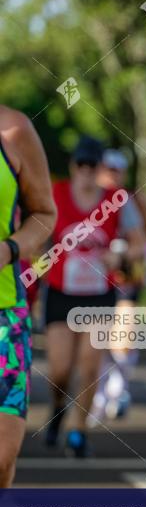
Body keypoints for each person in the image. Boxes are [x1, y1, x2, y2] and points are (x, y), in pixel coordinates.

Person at [42, 137, 140, 458]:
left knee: (88, 366)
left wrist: (120, 256)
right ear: (72, 167)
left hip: (98, 295)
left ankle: (78, 430)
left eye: (91, 166)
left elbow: (140, 242)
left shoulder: (116, 201)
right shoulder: (55, 195)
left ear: (99, 169)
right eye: (80, 165)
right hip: (61, 293)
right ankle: (57, 408)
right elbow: (37, 233)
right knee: (59, 369)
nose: (85, 171)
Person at [0, 105, 56, 487]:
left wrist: (9, 249)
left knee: (2, 458)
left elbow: (43, 214)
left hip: (5, 313)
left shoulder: (14, 130)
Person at [90, 149, 146, 422]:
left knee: (122, 339)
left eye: (116, 170)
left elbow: (143, 241)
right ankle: (99, 397)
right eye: (107, 169)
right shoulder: (88, 199)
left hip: (124, 279)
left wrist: (122, 252)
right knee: (97, 341)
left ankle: (119, 390)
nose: (111, 175)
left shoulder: (129, 201)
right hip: (91, 282)